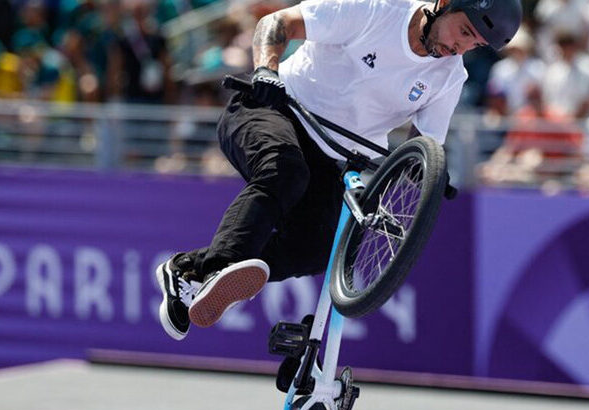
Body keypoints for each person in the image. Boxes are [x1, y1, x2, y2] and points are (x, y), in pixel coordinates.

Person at [156, 0, 523, 340]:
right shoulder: (377, 8)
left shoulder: (448, 78)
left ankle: (190, 272)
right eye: (463, 32)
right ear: (445, 4)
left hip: (333, 157)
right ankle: (216, 268)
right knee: (285, 169)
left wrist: (428, 174)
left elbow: (423, 145)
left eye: (473, 46)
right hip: (274, 109)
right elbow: (277, 23)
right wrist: (266, 71)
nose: (461, 49)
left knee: (316, 248)